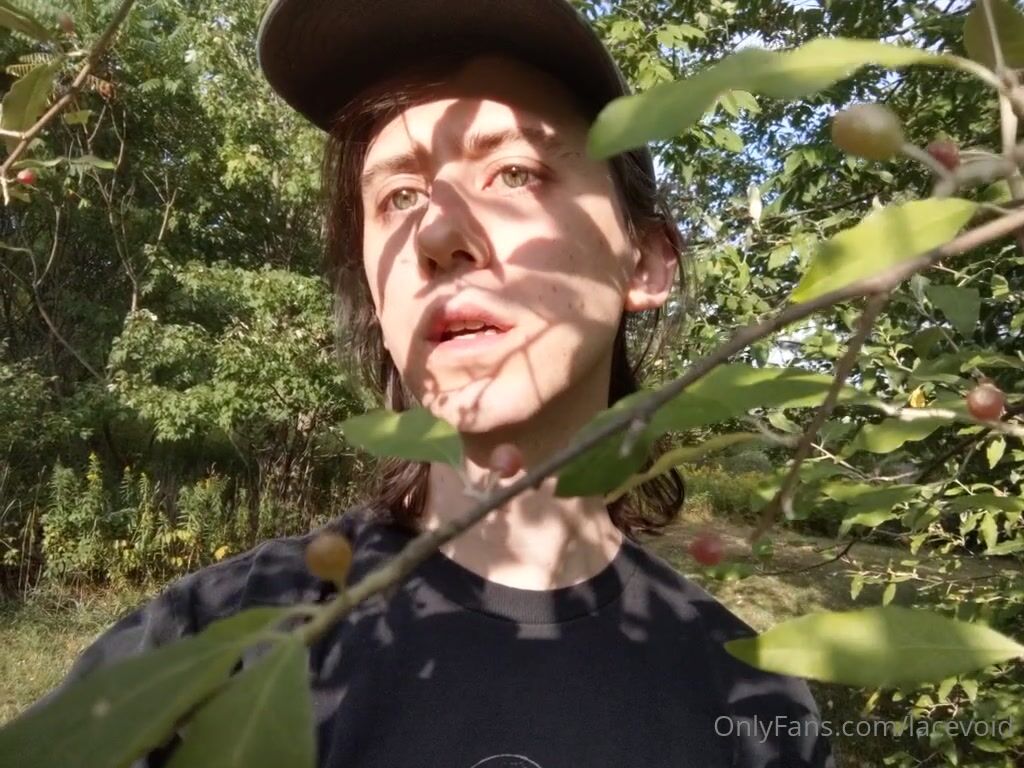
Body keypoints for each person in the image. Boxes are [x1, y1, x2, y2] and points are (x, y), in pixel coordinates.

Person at [24, 1, 836, 766]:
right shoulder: (199, 649)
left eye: (514, 172)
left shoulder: (755, 710)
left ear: (646, 261)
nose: (437, 233)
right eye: (399, 196)